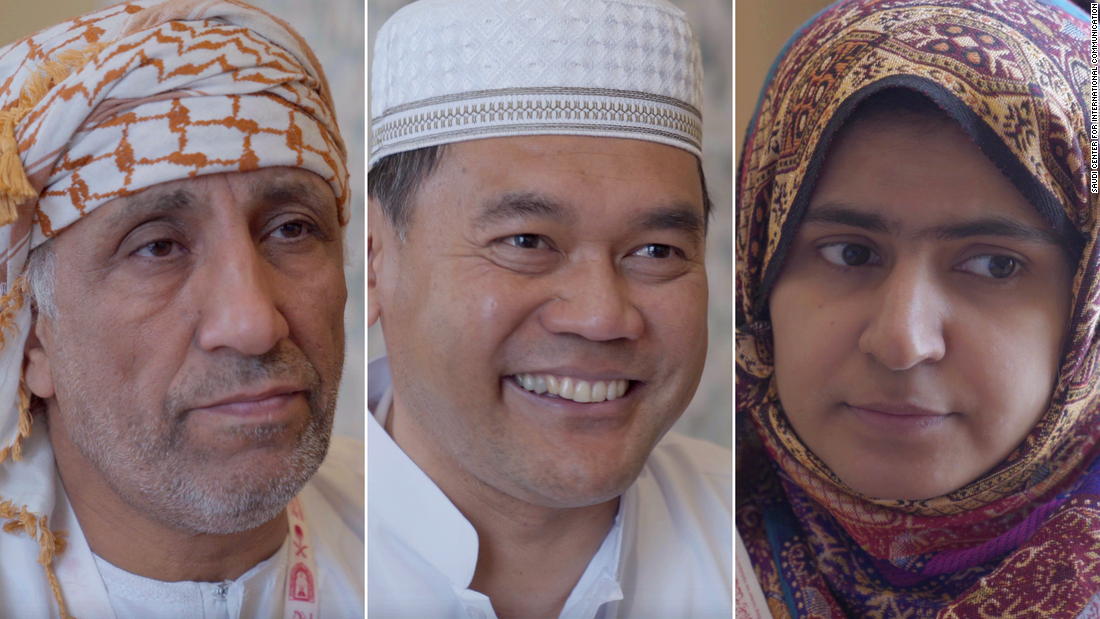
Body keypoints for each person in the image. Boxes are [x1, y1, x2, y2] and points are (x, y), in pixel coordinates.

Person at [366, 0, 732, 617]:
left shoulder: (761, 548)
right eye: (526, 243)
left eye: (655, 250)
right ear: (375, 259)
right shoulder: (287, 561)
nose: (601, 316)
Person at [0, 1, 363, 617]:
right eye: (158, 247)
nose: (252, 324)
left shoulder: (418, 543)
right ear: (33, 339)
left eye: (293, 230)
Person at [735, 0, 1095, 617]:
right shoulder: (675, 540)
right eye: (850, 253)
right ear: (758, 271)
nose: (902, 342)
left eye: (994, 265)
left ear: (1086, 308)